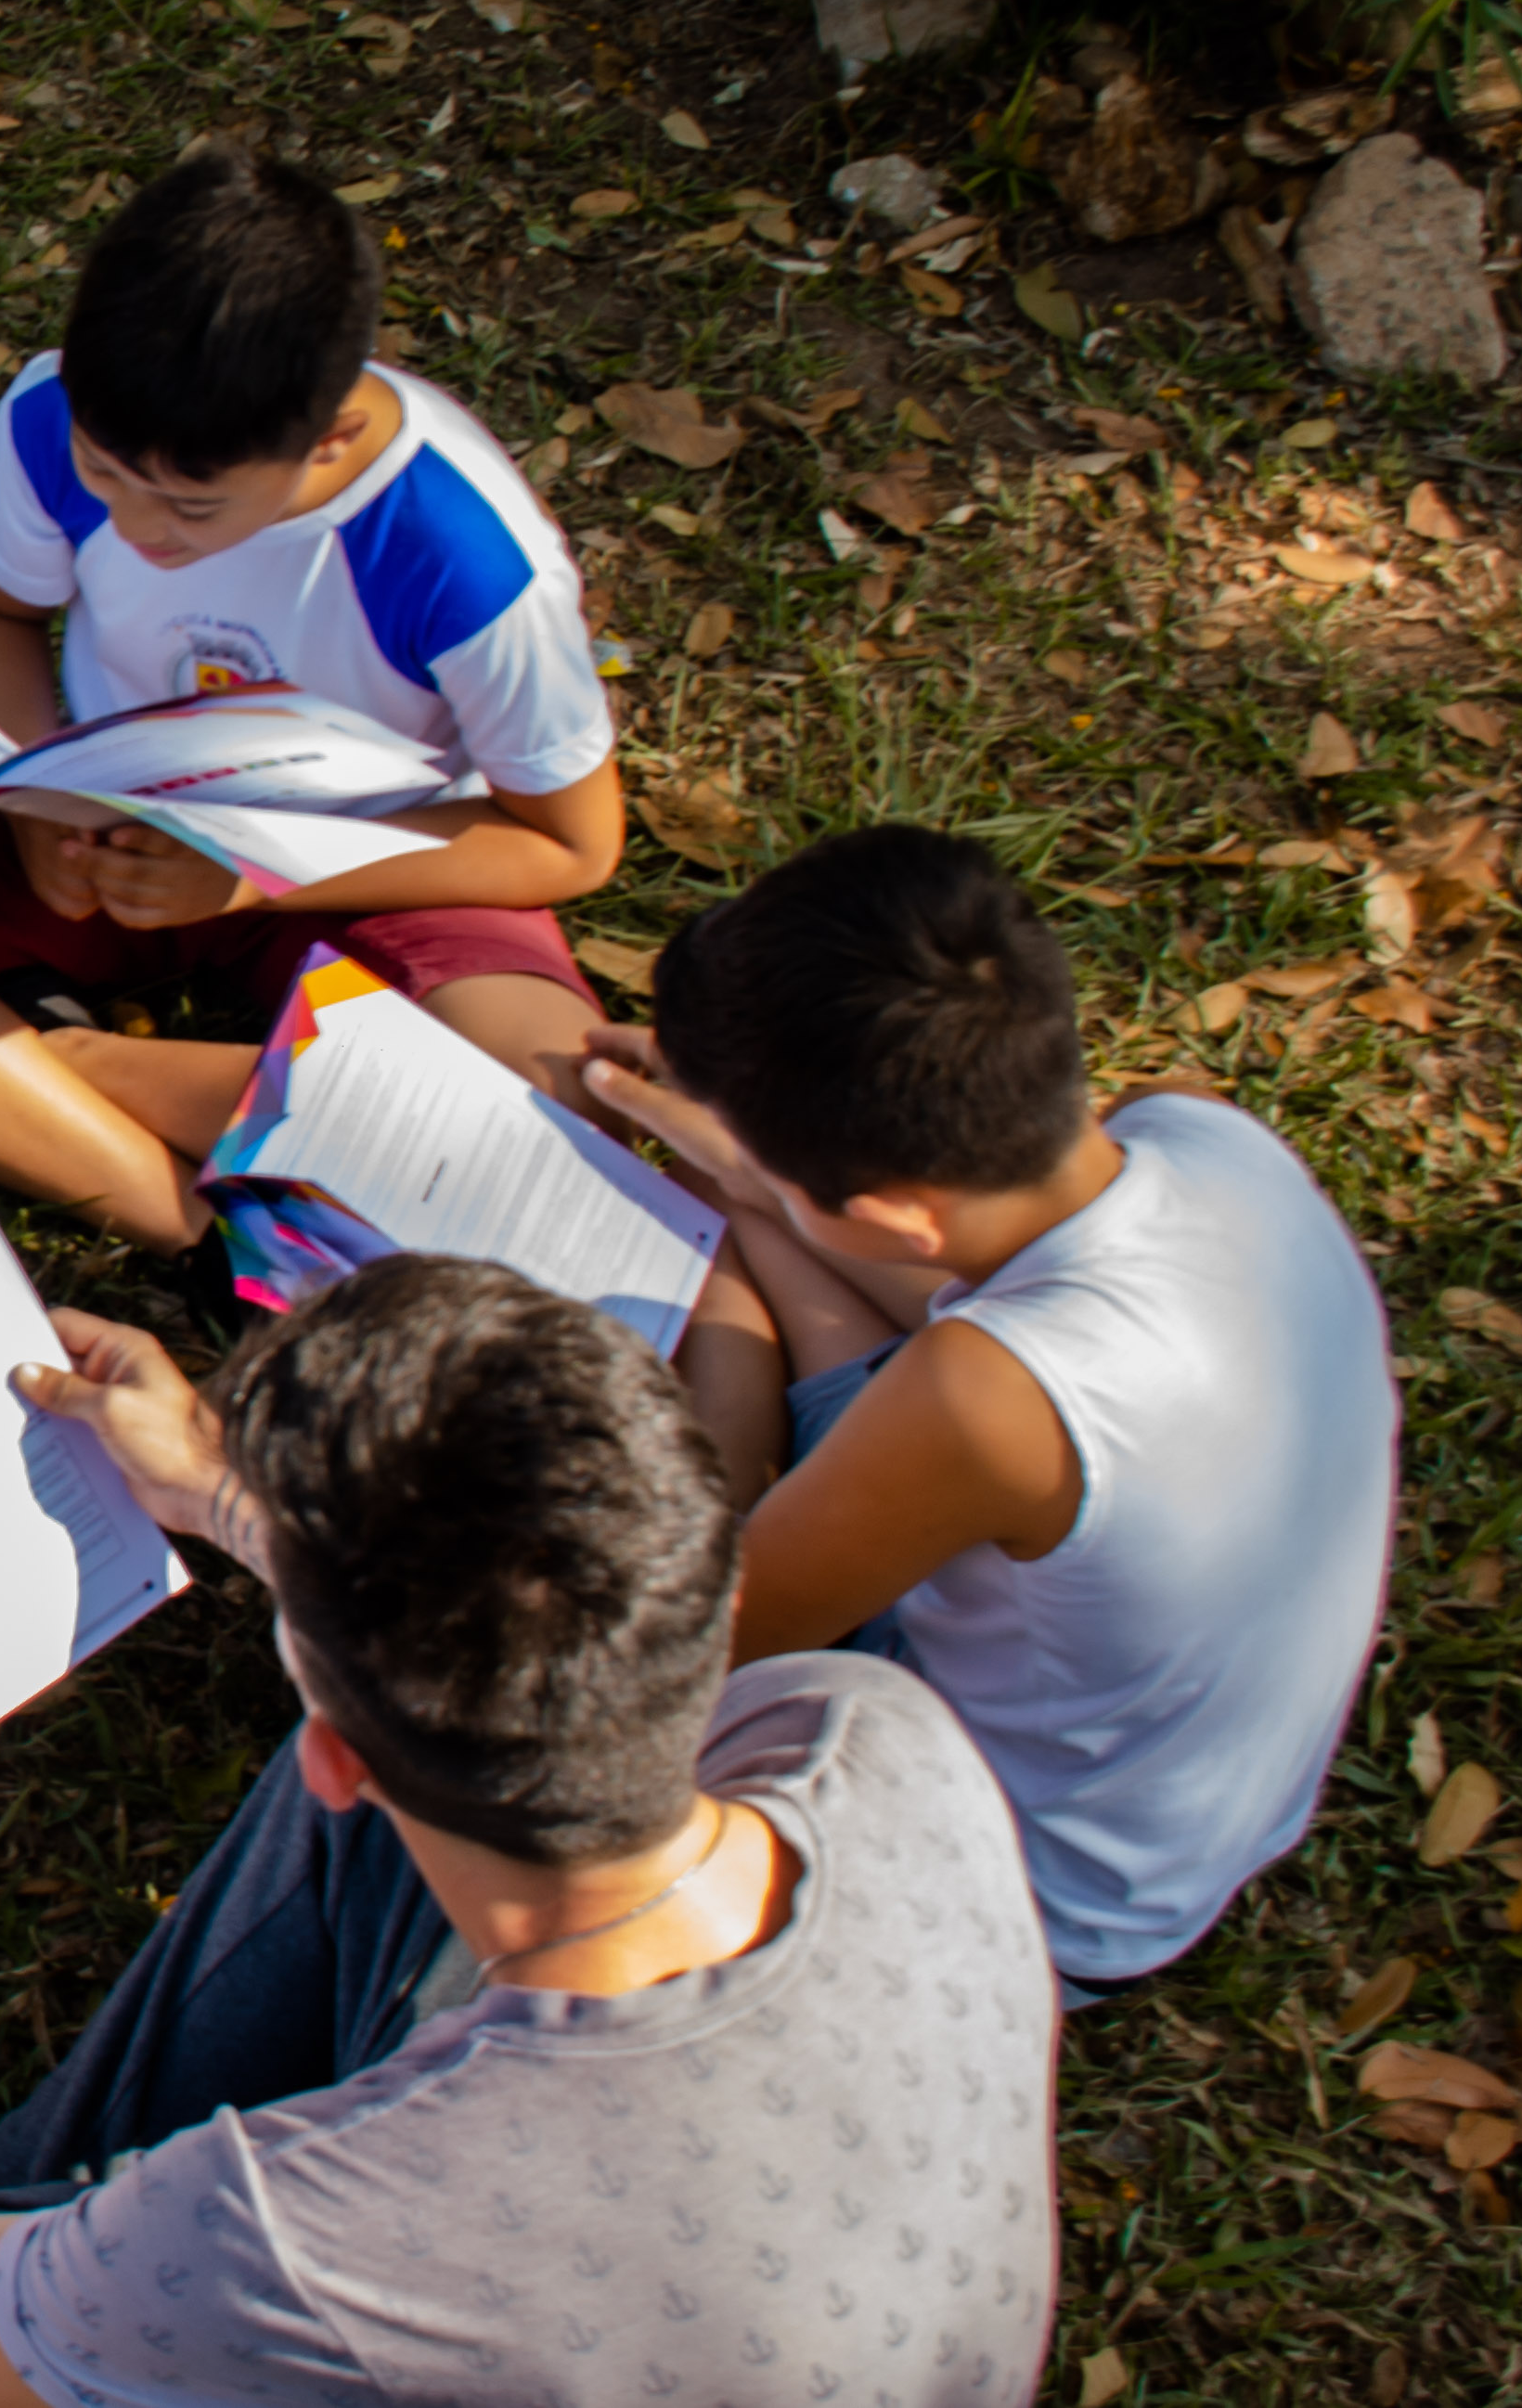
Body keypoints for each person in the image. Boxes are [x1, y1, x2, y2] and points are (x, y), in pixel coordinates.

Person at [0, 1254, 1060, 2408]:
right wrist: (214, 1495)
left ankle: (42, 2261)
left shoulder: (306, 2232)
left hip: (394, 2256)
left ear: (329, 1750)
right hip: (709, 2267)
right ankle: (47, 2233)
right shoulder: (873, 1735)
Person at [0, 141, 628, 1259]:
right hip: (93, 821)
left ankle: (28, 1068)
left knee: (557, 1099)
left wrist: (256, 875)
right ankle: (189, 1224)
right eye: (104, 474)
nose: (134, 529)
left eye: (190, 504)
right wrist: (40, 800)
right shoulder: (50, 415)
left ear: (333, 437)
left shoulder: (459, 552)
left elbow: (566, 845)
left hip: (368, 861)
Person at [579, 823, 1398, 1998]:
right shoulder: (1204, 1133)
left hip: (1027, 1894)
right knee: (734, 1228)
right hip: (1171, 1789)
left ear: (896, 1212)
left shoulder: (985, 1396)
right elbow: (962, 1280)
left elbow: (703, 1650)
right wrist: (751, 1175)